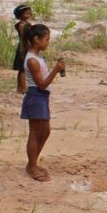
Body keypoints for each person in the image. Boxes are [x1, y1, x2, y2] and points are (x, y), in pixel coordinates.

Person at [22, 23, 65, 182]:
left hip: (41, 97)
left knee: (45, 132)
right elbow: (41, 84)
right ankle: (32, 167)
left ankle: (32, 163)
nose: (48, 42)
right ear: (36, 39)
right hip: (36, 96)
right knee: (35, 132)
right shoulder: (32, 61)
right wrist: (55, 70)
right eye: (46, 39)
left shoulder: (37, 57)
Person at [12, 4, 33, 92]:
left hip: (23, 47)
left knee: (22, 69)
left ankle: (20, 87)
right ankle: (23, 88)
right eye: (26, 14)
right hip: (24, 48)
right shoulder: (23, 25)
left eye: (29, 13)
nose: (29, 15)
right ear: (20, 15)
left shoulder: (22, 24)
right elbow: (25, 37)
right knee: (23, 70)